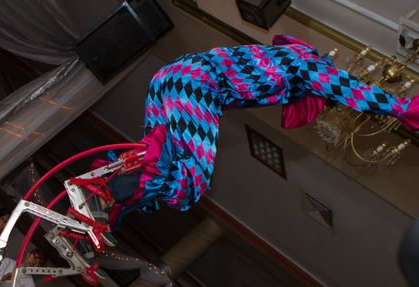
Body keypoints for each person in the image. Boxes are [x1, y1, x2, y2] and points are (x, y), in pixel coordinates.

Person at [78, 35, 419, 221]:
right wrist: (401, 108)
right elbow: (346, 88)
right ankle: (116, 192)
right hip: (197, 83)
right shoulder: (309, 64)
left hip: (167, 77)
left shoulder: (278, 58)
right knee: (192, 182)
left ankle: (106, 192)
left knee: (159, 149)